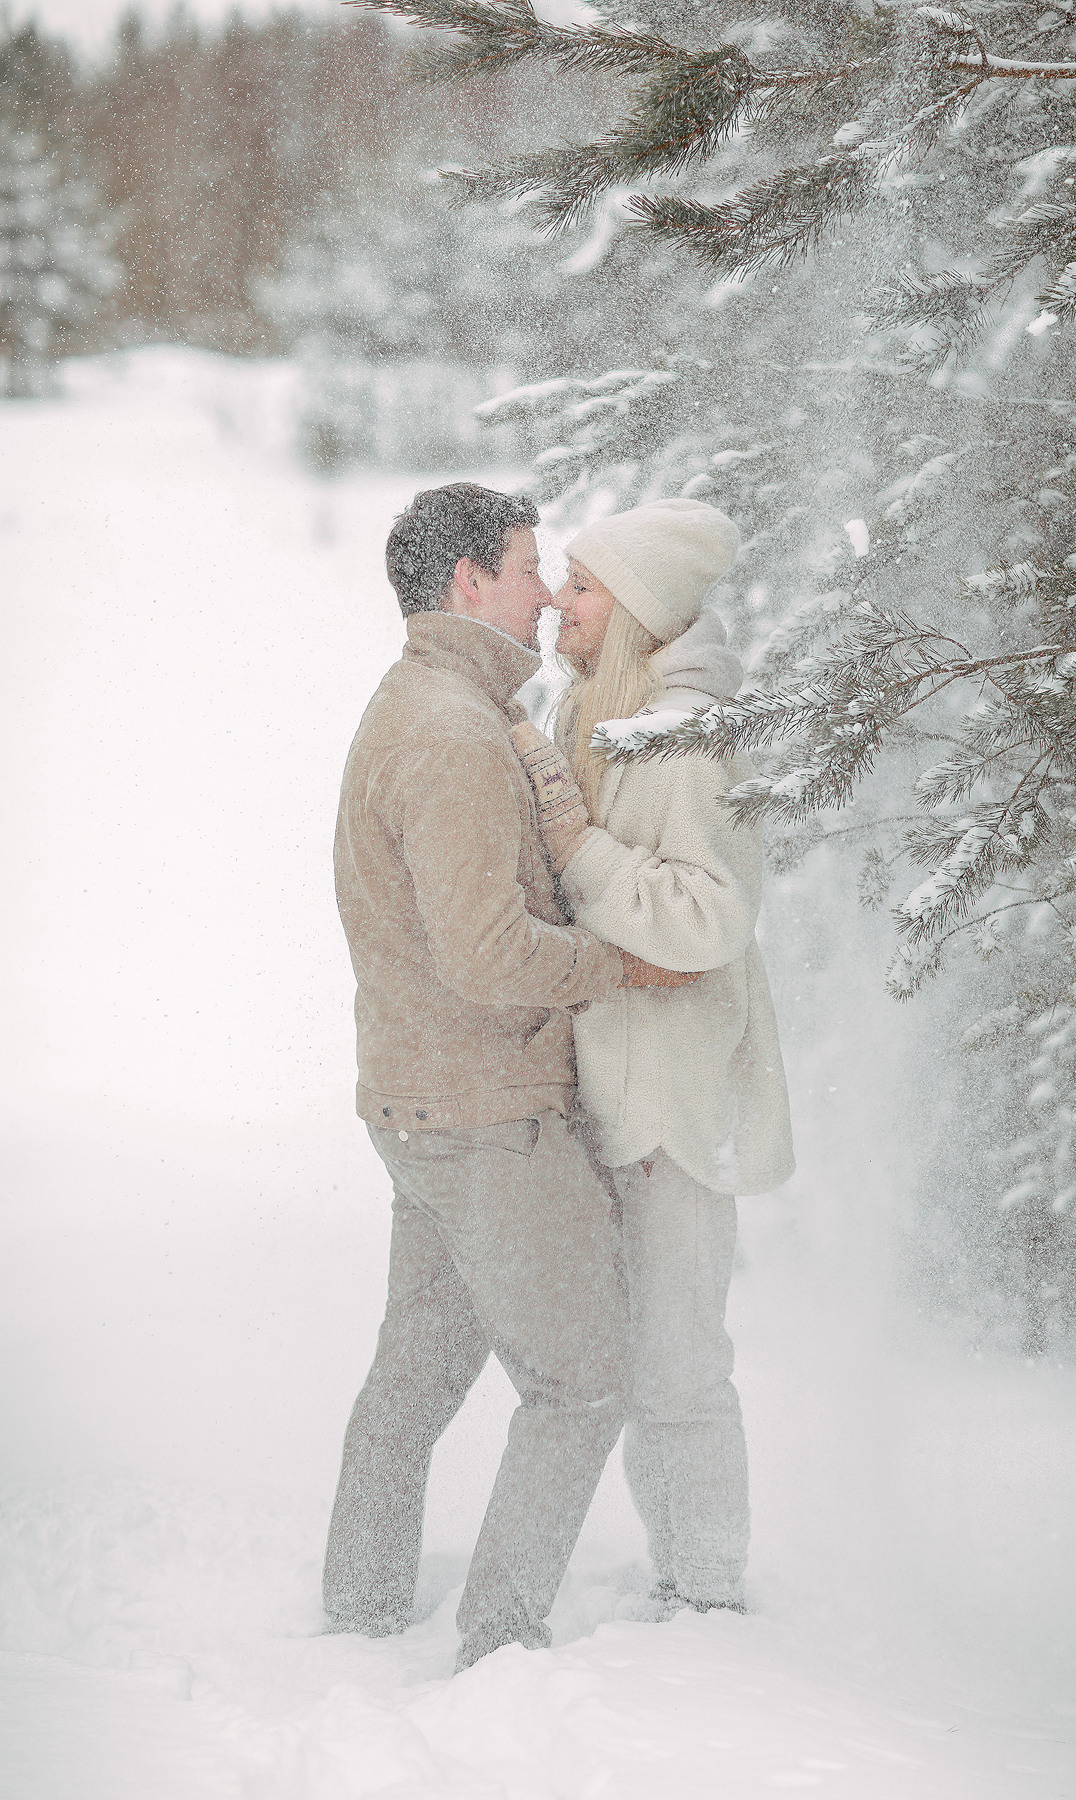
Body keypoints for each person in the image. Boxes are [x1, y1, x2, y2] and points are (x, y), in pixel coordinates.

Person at [324, 482, 693, 1671]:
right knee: (584, 1381)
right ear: (467, 583)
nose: (546, 592)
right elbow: (487, 953)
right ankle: (501, 1641)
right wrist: (621, 967)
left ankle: (362, 1608)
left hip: (424, 1106)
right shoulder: (451, 734)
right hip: (486, 1114)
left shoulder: (433, 707)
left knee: (416, 1380)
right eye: (530, 567)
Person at [511, 496, 795, 1616]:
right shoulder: (590, 710)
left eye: (582, 588)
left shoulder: (687, 743)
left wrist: (581, 852)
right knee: (632, 1364)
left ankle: (710, 1593)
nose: (558, 607)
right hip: (603, 1086)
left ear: (634, 611)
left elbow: (709, 920)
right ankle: (678, 1570)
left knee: (677, 1363)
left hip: (671, 1097)